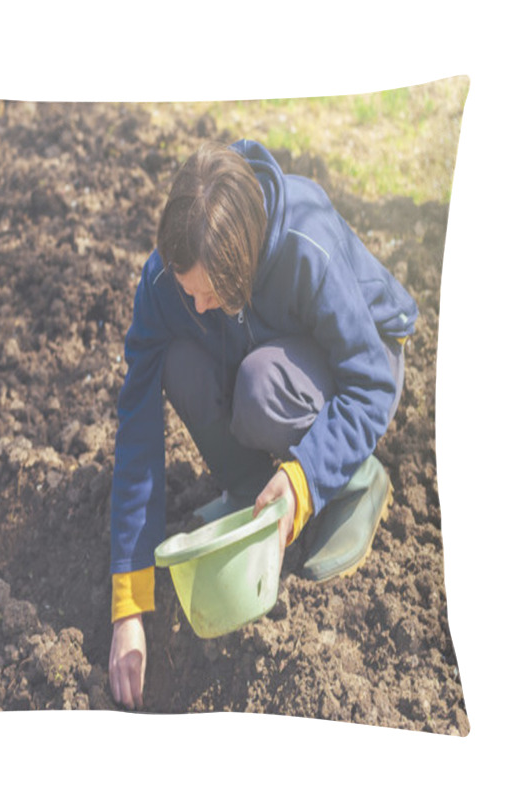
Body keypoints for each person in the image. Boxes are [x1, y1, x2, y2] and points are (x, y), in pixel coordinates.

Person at [108, 140, 417, 710]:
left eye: (209, 290)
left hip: (365, 357)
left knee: (259, 387)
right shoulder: (164, 286)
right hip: (266, 349)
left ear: (243, 262)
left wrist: (303, 480)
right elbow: (137, 430)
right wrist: (130, 603)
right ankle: (254, 492)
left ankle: (353, 481)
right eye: (186, 288)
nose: (194, 305)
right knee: (179, 360)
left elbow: (369, 378)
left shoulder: (306, 240)